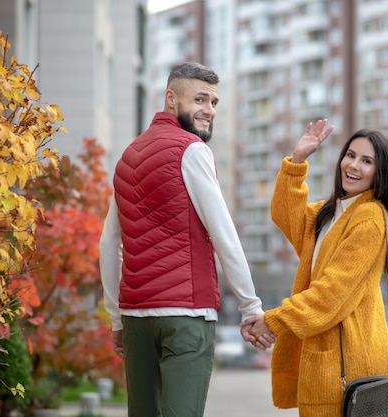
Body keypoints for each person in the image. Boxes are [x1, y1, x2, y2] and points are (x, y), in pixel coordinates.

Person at [99, 62, 270, 417]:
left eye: (214, 102)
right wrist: (251, 307)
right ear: (171, 99)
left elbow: (108, 243)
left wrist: (117, 317)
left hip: (136, 318)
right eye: (200, 99)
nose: (209, 110)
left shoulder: (128, 157)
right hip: (186, 315)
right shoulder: (191, 150)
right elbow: (224, 234)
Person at [243, 120, 388, 417]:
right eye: (350, 155)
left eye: (367, 161)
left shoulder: (370, 218)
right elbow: (285, 214)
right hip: (329, 363)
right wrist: (298, 160)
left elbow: (330, 295)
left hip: (349, 365)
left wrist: (274, 319)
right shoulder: (331, 212)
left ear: (380, 173)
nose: (353, 165)